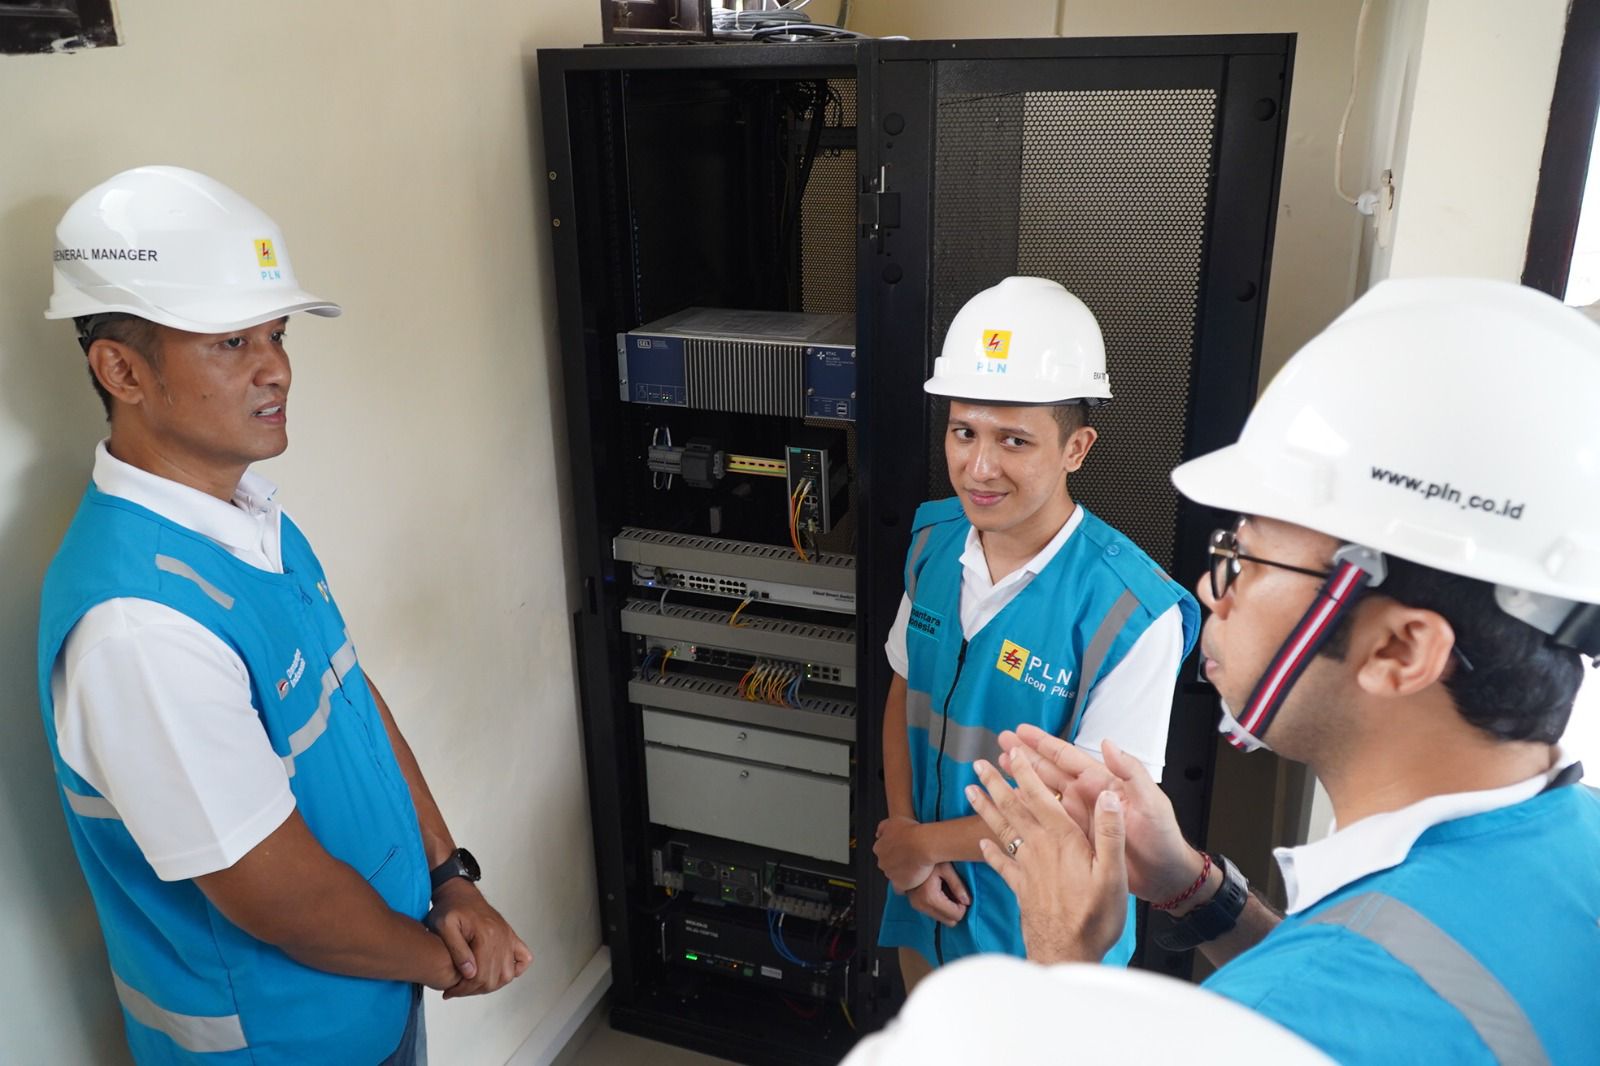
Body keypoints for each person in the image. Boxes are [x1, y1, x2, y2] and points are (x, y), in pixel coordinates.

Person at [966, 277, 1600, 1064]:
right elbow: (1384, 970)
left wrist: (1062, 964)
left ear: (1400, 651)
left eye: (1247, 559)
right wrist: (1192, 888)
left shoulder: (1286, 1024)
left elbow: (1325, 1003)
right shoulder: (1574, 839)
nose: (1211, 590)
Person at [35, 165, 531, 1065]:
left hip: (374, 990)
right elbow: (279, 898)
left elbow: (350, 698)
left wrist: (448, 876)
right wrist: (449, 961)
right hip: (281, 1042)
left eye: (276, 333)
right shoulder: (139, 627)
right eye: (231, 342)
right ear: (121, 370)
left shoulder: (251, 518)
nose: (277, 369)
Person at [873, 276, 1199, 992]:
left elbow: (1094, 815)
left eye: (1014, 441)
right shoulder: (933, 542)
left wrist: (919, 844)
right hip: (929, 900)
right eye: (964, 432)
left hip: (1044, 938)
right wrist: (906, 839)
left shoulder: (1133, 613)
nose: (979, 467)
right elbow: (905, 690)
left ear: (1076, 447)